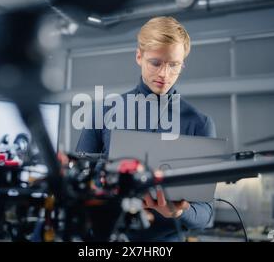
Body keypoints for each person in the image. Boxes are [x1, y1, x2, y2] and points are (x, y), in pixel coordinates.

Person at [76, 16, 216, 242]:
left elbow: (206, 214)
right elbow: (78, 185)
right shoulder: (102, 112)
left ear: (182, 64)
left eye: (173, 65)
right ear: (139, 56)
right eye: (156, 62)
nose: (164, 74)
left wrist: (180, 211)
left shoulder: (199, 124)